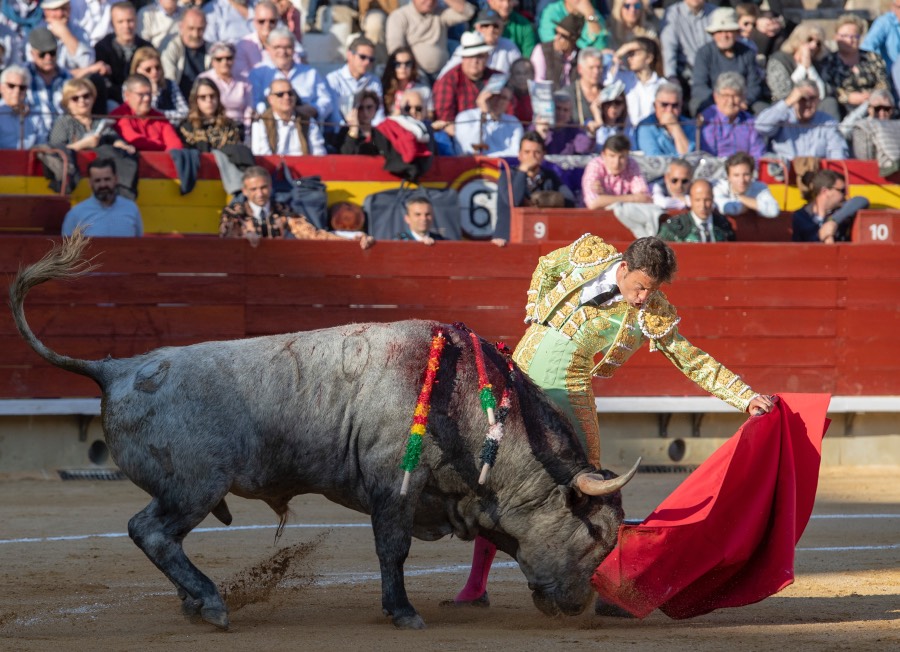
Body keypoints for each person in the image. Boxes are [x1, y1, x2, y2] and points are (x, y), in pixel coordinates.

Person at [448, 233, 774, 606]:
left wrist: (745, 396)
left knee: (596, 491)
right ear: (624, 268)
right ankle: (475, 588)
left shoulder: (652, 313)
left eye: (650, 292)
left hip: (567, 393)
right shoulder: (589, 254)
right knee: (497, 481)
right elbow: (547, 265)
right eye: (639, 287)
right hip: (519, 376)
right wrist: (536, 313)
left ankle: (611, 591)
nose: (642, 298)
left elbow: (692, 359)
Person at [221, 166, 374, 248]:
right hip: (244, 270)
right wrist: (243, 239)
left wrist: (350, 241)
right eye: (253, 189)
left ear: (271, 186)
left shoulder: (282, 210)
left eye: (263, 187)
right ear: (245, 191)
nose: (260, 194)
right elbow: (226, 243)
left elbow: (313, 235)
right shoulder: (234, 213)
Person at [248, 27, 332, 123]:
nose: (283, 52)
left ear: (294, 48)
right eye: (277, 47)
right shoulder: (258, 73)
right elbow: (253, 103)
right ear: (268, 48)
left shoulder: (310, 73)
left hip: (306, 127)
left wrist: (313, 109)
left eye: (287, 47)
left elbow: (326, 101)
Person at [690, 7, 762, 115]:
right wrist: (721, 102)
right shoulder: (704, 53)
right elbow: (699, 86)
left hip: (741, 101)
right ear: (713, 34)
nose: (724, 36)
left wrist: (744, 101)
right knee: (696, 105)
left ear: (736, 33)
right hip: (714, 101)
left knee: (762, 110)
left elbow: (754, 85)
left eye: (728, 31)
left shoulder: (747, 53)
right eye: (719, 31)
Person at [754, 80, 848, 161]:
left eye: (812, 98)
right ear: (795, 100)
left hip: (818, 176)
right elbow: (760, 127)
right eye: (802, 99)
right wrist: (787, 102)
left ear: (819, 100)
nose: (808, 103)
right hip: (785, 175)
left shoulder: (828, 122)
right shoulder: (782, 117)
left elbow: (838, 154)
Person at [432, 32, 503, 136]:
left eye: (479, 56)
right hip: (460, 138)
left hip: (498, 133)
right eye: (470, 56)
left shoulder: (497, 78)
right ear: (463, 58)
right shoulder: (448, 81)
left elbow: (509, 113)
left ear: (487, 57)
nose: (475, 61)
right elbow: (445, 121)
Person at [385, 0, 475, 80]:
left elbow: (468, 12)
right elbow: (395, 49)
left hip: (443, 72)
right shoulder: (399, 16)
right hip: (416, 76)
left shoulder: (440, 13)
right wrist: (413, 71)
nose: (429, 1)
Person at [820, 14, 889, 117]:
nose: (850, 40)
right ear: (836, 37)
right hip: (843, 109)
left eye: (854, 36)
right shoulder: (828, 61)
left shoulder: (872, 57)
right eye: (844, 36)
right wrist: (848, 97)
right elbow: (828, 89)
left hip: (874, 106)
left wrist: (872, 96)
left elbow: (883, 83)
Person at [766, 23, 838, 120]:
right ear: (798, 40)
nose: (814, 46)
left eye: (818, 43)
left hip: (813, 106)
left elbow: (822, 93)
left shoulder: (820, 63)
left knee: (830, 102)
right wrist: (803, 67)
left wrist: (810, 67)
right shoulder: (779, 60)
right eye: (809, 40)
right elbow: (783, 92)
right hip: (788, 105)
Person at [49, 77, 134, 153]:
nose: (81, 100)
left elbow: (114, 138)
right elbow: (55, 152)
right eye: (75, 98)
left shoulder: (100, 121)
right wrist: (83, 144)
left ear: (93, 98)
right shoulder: (63, 123)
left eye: (86, 96)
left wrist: (121, 145)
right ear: (67, 102)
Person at [61, 158, 143, 237]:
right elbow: (67, 248)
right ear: (90, 183)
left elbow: (139, 244)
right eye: (97, 180)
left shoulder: (131, 208)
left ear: (116, 179)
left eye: (107, 179)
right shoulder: (76, 214)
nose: (103, 185)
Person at [94, 1, 153, 104]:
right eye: (120, 22)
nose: (126, 26)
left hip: (144, 99)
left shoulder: (146, 48)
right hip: (114, 101)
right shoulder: (102, 48)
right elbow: (104, 84)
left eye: (130, 21)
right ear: (112, 24)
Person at [250, 78, 327, 156]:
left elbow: (319, 153)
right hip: (273, 167)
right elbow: (262, 155)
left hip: (304, 166)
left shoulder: (308, 121)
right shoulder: (260, 122)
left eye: (290, 93)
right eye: (280, 94)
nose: (287, 97)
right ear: (270, 99)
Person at [698, 71, 765, 160]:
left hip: (744, 171)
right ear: (716, 96)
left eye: (735, 96)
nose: (730, 101)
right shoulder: (707, 118)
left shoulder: (750, 122)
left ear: (743, 98)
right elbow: (706, 155)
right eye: (726, 95)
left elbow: (758, 155)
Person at [110, 73, 183, 151]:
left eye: (149, 94)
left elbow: (176, 146)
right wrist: (162, 145)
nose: (147, 99)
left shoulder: (160, 118)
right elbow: (134, 140)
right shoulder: (119, 115)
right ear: (127, 95)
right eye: (141, 95)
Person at [440, 8, 521, 78]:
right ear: (477, 28)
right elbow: (444, 75)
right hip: (471, 91)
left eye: (495, 26)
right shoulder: (467, 47)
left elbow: (521, 71)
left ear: (502, 28)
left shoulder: (509, 46)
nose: (491, 30)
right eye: (485, 25)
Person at [792, 169, 868, 244]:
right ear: (825, 191)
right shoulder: (801, 216)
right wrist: (820, 235)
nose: (845, 195)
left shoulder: (841, 210)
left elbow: (862, 200)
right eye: (842, 191)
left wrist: (833, 221)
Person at [659, 0, 716, 99]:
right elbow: (669, 48)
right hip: (685, 73)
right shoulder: (672, 13)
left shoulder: (715, 12)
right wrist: (671, 76)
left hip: (712, 72)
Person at [326, 36, 384, 129]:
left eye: (371, 59)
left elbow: (379, 115)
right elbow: (334, 116)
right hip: (341, 135)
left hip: (368, 134)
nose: (367, 62)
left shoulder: (374, 81)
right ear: (349, 55)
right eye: (363, 57)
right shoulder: (333, 80)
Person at [581, 134, 651, 210]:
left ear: (627, 155)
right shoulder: (595, 165)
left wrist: (605, 199)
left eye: (621, 157)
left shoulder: (631, 164)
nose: (616, 162)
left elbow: (645, 198)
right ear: (603, 155)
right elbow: (593, 203)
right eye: (612, 156)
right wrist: (633, 198)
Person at [607, 36, 664, 129]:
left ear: (649, 58)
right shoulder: (623, 79)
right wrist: (619, 53)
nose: (629, 58)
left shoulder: (662, 85)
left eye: (634, 54)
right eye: (628, 54)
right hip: (628, 138)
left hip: (651, 138)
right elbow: (607, 81)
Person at [508, 130, 575, 207]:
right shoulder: (507, 175)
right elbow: (514, 201)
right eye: (527, 152)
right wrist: (523, 170)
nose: (532, 156)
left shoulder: (550, 176)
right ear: (519, 155)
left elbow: (569, 200)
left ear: (543, 155)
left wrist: (543, 200)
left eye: (537, 152)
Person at [198, 41, 253, 132]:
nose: (225, 62)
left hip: (240, 128)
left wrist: (246, 129)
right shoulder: (204, 79)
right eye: (219, 59)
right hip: (212, 128)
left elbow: (249, 108)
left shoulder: (244, 81)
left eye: (229, 58)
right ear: (212, 61)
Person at [39, 0, 105, 76]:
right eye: (55, 9)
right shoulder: (38, 33)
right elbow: (45, 73)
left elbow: (87, 61)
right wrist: (87, 70)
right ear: (45, 11)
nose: (60, 14)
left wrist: (65, 35)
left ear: (69, 9)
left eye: (64, 9)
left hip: (75, 84)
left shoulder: (78, 31)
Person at [24, 26, 71, 133]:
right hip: (33, 137)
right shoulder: (22, 77)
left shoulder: (67, 77)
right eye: (42, 54)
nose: (48, 57)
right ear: (32, 54)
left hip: (62, 138)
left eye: (52, 53)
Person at [658, 179, 734, 242]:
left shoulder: (723, 224)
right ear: (690, 200)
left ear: (713, 199)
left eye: (707, 200)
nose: (703, 205)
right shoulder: (674, 226)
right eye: (697, 200)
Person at [454, 85, 523, 156]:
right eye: (495, 96)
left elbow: (516, 152)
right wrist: (484, 115)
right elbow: (470, 149)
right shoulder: (466, 117)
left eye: (504, 98)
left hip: (504, 164)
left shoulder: (513, 122)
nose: (498, 101)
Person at [159, 6, 210, 100]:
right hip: (179, 100)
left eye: (200, 29)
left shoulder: (211, 51)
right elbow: (169, 81)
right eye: (191, 28)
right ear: (181, 27)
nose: (195, 34)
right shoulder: (172, 48)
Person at [178, 78, 242, 151]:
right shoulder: (186, 127)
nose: (209, 100)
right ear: (196, 100)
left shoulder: (230, 125)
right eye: (203, 97)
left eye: (212, 96)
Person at [634, 82, 696, 156]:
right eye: (664, 105)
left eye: (675, 105)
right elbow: (653, 158)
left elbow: (691, 157)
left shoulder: (690, 125)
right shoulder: (645, 126)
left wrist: (675, 127)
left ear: (681, 106)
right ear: (655, 105)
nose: (669, 110)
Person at [713, 152, 779, 220]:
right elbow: (727, 208)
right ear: (728, 177)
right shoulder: (719, 186)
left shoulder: (760, 188)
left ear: (752, 175)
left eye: (746, 174)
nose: (741, 180)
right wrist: (752, 204)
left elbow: (773, 211)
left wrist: (742, 198)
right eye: (736, 175)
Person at [130, 45, 187, 123]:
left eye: (157, 68)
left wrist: (160, 115)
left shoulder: (170, 84)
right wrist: (153, 94)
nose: (154, 72)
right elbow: (144, 114)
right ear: (137, 70)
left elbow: (184, 112)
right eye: (148, 70)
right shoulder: (129, 88)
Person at [530, 12, 582, 91]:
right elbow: (538, 83)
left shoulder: (581, 57)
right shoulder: (542, 50)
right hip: (548, 99)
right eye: (556, 32)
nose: (556, 38)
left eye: (563, 36)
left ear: (573, 40)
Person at [0, 64, 48, 149]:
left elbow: (42, 143)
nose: (17, 91)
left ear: (26, 90)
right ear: (1, 88)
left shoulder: (35, 115)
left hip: (30, 160)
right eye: (11, 86)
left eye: (22, 87)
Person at [534, 91, 594, 155]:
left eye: (565, 110)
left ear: (570, 113)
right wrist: (539, 135)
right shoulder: (539, 125)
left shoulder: (574, 128)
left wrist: (591, 134)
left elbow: (583, 149)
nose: (561, 113)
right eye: (558, 108)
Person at [381, 46, 432, 119]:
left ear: (413, 66)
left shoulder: (424, 90)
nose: (403, 67)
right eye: (398, 64)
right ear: (391, 66)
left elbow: (430, 116)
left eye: (407, 63)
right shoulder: (384, 88)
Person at [537, 0, 608, 51]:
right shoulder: (552, 12)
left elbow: (601, 46)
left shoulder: (593, 14)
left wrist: (590, 16)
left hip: (587, 63)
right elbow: (552, 44)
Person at [329, 88, 383, 154]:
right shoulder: (345, 132)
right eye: (360, 108)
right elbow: (343, 156)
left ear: (376, 108)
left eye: (369, 107)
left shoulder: (381, 134)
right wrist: (353, 132)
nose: (365, 113)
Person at [563, 47, 603, 127]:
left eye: (599, 67)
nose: (596, 72)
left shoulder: (608, 93)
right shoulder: (568, 94)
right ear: (580, 69)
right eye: (591, 68)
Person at [860, 0, 900, 77]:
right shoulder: (884, 22)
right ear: (893, 7)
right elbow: (866, 48)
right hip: (890, 76)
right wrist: (877, 67)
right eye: (899, 7)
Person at [587, 80, 629, 148]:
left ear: (623, 105)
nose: (613, 107)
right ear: (601, 105)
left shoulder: (629, 128)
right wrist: (598, 120)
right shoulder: (590, 124)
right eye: (608, 103)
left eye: (617, 102)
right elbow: (586, 149)